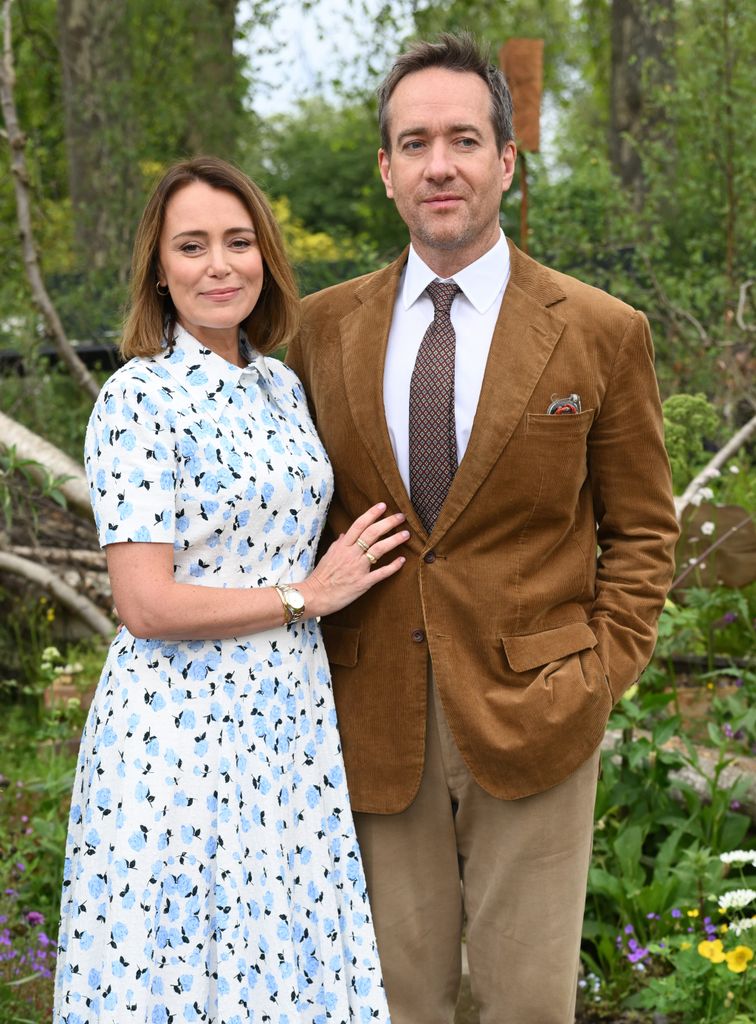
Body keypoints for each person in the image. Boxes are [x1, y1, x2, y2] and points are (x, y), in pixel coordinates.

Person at [286, 33, 679, 1024]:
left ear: (506, 158)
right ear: (385, 171)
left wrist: (601, 667)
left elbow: (642, 527)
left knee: (527, 1006)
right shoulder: (319, 331)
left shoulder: (600, 329)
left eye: (463, 138)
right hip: (372, 717)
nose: (440, 164)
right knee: (390, 1004)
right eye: (414, 142)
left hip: (540, 712)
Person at [54, 156, 406, 1023]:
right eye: (193, 245)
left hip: (287, 724)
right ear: (160, 270)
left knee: (283, 961)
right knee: (185, 971)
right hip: (179, 734)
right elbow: (146, 603)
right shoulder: (138, 398)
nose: (220, 265)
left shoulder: (281, 387)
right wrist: (305, 598)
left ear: (266, 256)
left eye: (239, 241)